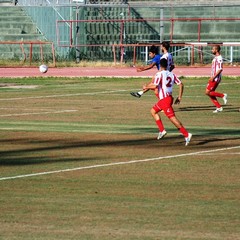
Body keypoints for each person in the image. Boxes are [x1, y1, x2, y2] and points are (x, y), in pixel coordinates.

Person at [142, 58, 192, 146]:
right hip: (168, 98)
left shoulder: (159, 74)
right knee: (153, 111)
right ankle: (162, 130)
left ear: (160, 65)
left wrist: (146, 86)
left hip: (165, 100)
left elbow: (155, 85)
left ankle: (186, 134)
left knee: (172, 119)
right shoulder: (171, 74)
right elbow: (181, 84)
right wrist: (179, 97)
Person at [205, 45, 227, 113]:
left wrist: (213, 77)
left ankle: (223, 95)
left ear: (216, 50)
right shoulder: (216, 57)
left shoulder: (219, 58)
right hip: (213, 77)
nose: (212, 50)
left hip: (215, 78)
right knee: (210, 93)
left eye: (213, 49)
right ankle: (219, 107)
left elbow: (220, 69)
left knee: (207, 92)